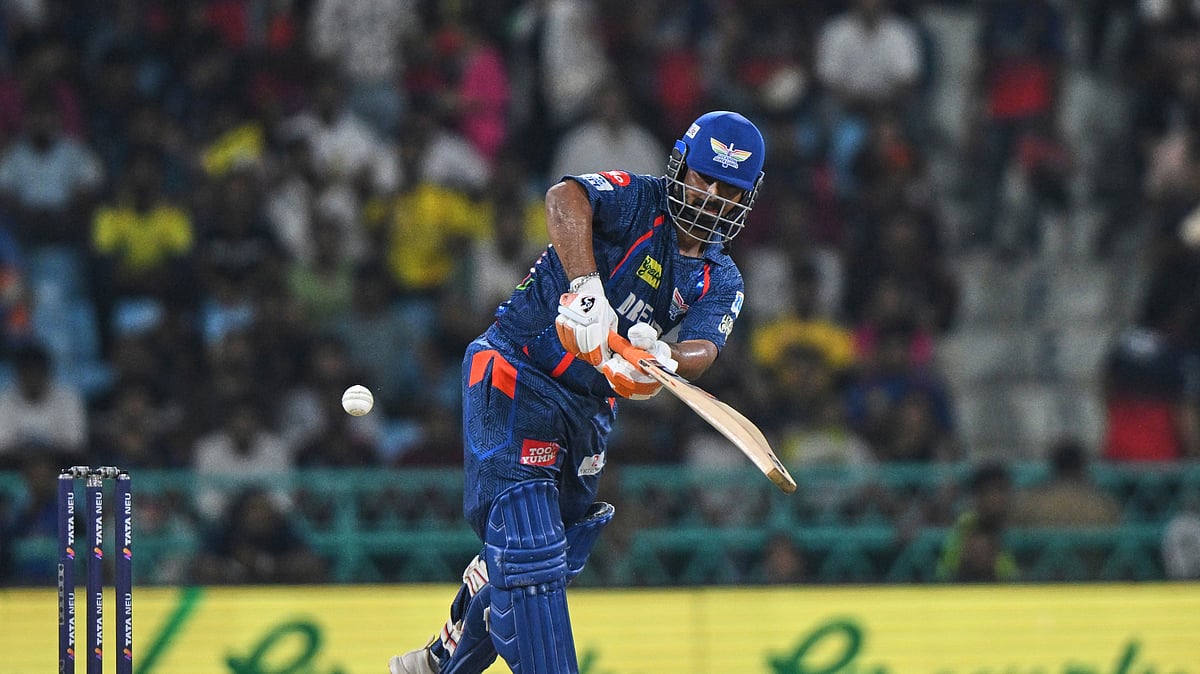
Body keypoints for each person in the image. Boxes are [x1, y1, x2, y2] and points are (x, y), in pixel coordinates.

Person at [388, 110, 766, 674]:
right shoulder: (638, 200)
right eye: (703, 179)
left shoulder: (721, 278)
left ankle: (443, 657)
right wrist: (586, 287)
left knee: (538, 558)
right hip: (516, 371)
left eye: (728, 189)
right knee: (533, 555)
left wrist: (663, 360)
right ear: (680, 167)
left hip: (587, 409)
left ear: (746, 200)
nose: (711, 197)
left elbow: (703, 351)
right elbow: (565, 198)